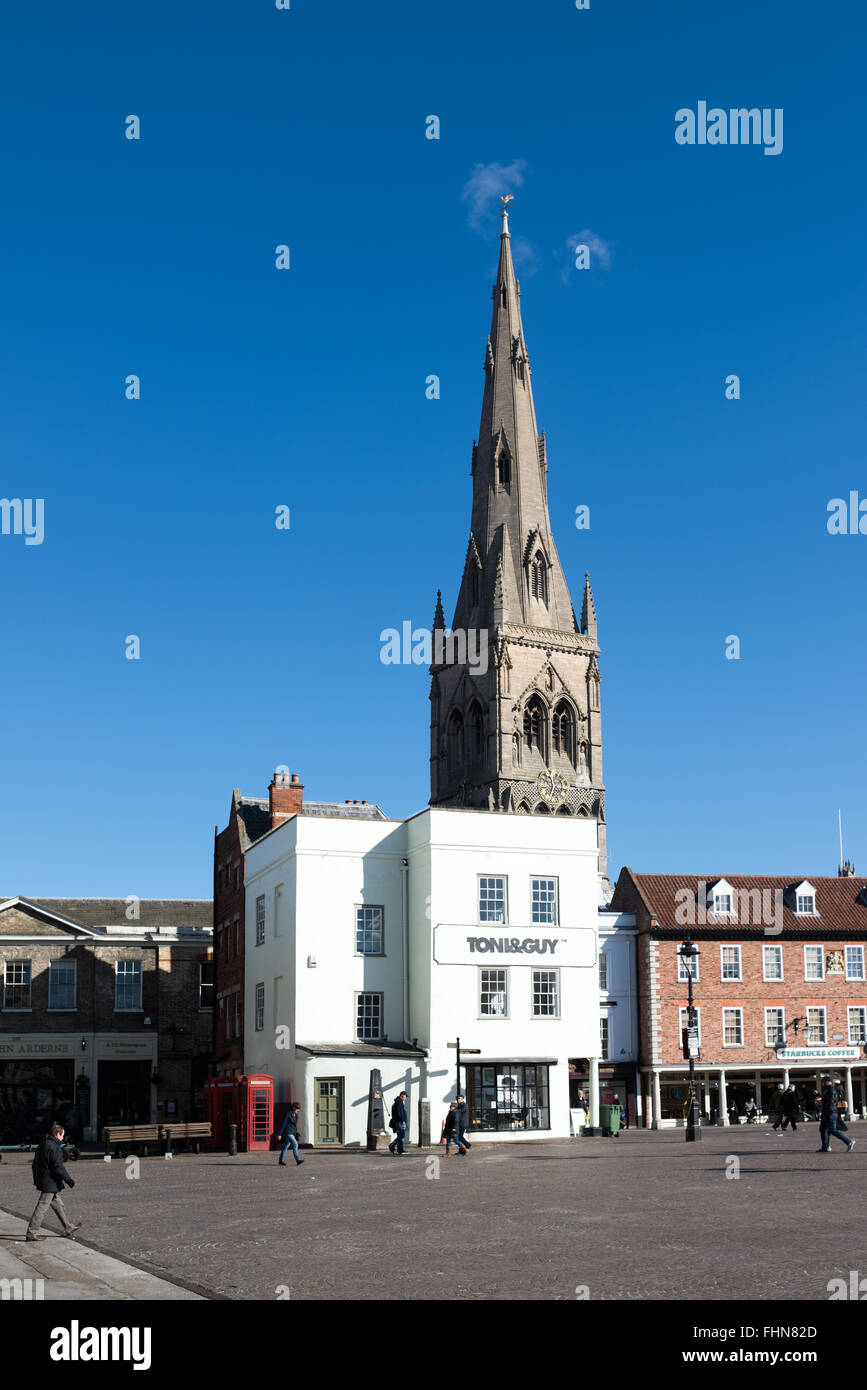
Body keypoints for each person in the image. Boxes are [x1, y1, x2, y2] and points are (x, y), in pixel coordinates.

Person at [26, 1122, 81, 1241]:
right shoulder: (54, 1147)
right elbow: (58, 1167)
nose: (63, 1138)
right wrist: (69, 1180)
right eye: (62, 1135)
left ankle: (68, 1227)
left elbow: (34, 1164)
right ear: (57, 1134)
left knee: (57, 1204)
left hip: (44, 1180)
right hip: (49, 1181)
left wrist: (37, 1179)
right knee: (42, 1206)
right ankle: (31, 1232)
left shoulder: (43, 1144)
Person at [818, 1078, 855, 1153]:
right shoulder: (827, 1089)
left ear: (828, 1082)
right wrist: (821, 1100)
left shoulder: (831, 1090)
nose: (822, 1083)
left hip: (830, 1113)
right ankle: (825, 1147)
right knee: (823, 1130)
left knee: (832, 1130)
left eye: (823, 1082)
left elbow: (831, 1102)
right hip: (826, 1113)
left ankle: (849, 1141)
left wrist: (825, 1108)